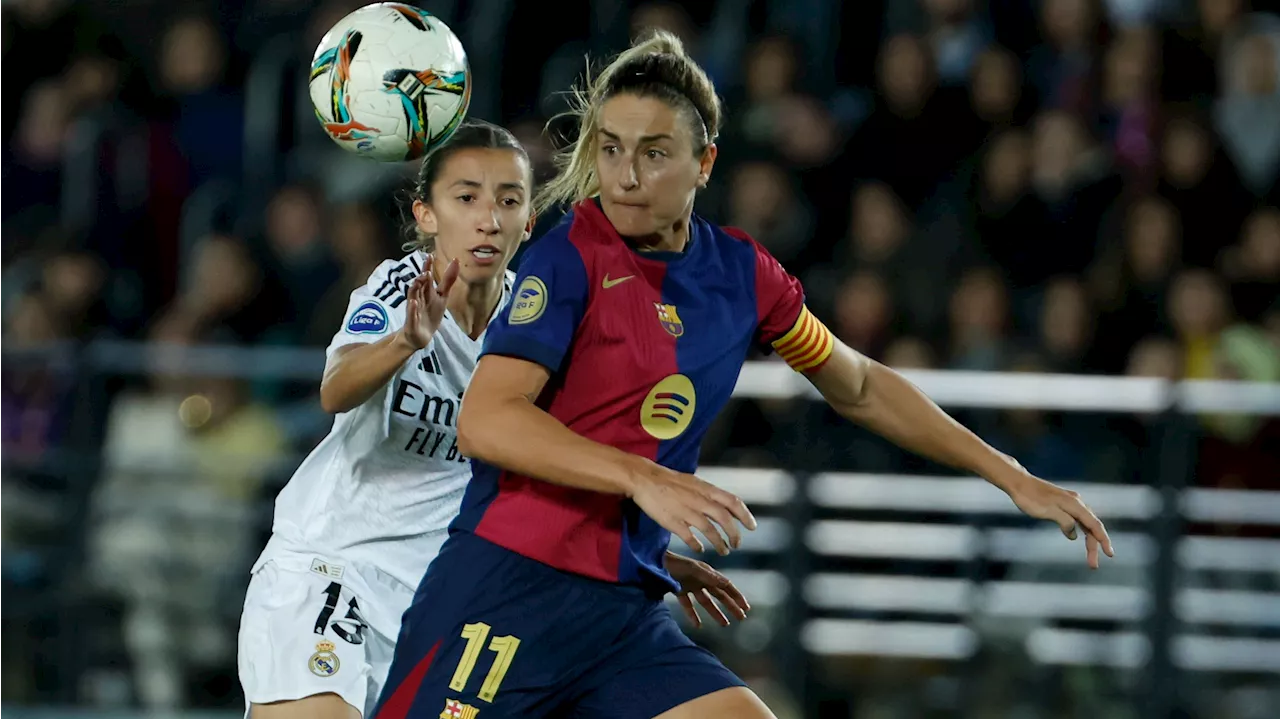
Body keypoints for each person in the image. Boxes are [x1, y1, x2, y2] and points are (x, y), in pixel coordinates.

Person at [372, 32, 1114, 719]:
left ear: (706, 163)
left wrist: (1008, 472)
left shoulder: (742, 273)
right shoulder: (570, 257)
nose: (626, 176)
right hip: (508, 590)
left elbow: (856, 383)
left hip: (621, 616)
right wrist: (641, 480)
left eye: (655, 153)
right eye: (612, 149)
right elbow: (487, 418)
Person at [236, 119, 753, 719]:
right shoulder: (400, 286)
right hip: (334, 568)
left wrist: (647, 557)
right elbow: (336, 388)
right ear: (426, 215)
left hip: (442, 597)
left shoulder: (538, 326)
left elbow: (550, 468)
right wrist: (406, 341)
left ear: (528, 221)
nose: (489, 217)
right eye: (466, 198)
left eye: (509, 200)